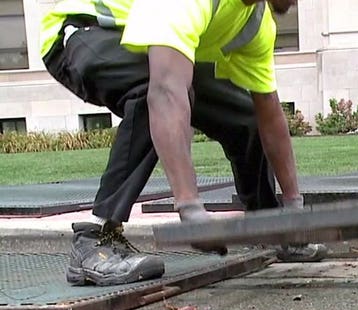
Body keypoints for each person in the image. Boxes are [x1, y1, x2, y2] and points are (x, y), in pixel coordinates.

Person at [40, 0, 328, 286]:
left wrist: (293, 209)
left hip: (151, 45)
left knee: (246, 114)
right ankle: (94, 239)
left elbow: (268, 113)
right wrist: (191, 211)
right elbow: (165, 92)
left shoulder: (255, 23)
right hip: (84, 32)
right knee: (152, 90)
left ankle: (270, 227)